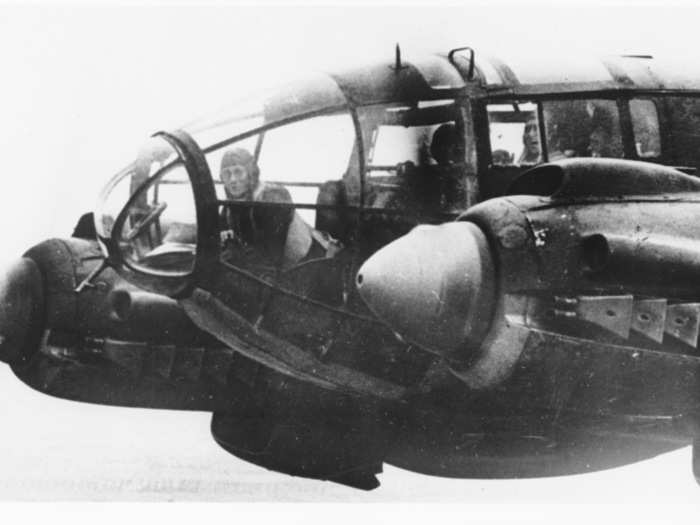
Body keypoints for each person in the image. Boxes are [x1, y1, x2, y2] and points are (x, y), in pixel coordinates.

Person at [219, 147, 338, 268]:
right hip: (285, 269)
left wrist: (236, 253)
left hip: (316, 262)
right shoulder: (229, 207)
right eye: (226, 174)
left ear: (250, 173)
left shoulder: (271, 198)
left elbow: (271, 258)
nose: (232, 179)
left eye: (238, 172)